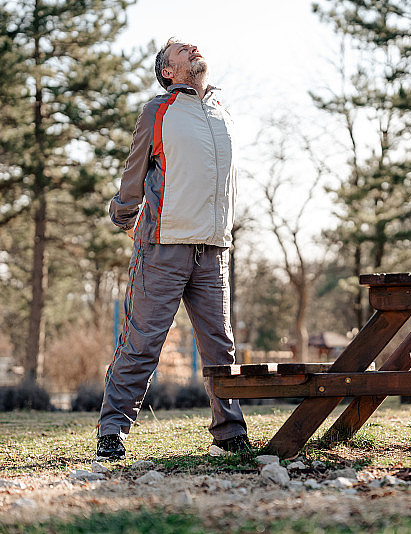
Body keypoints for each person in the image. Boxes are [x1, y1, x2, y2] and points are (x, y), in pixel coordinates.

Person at [96, 38, 250, 461]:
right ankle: (112, 432)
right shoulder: (157, 111)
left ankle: (231, 431)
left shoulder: (222, 113)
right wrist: (125, 214)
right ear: (168, 71)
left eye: (194, 47)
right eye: (183, 50)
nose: (194, 49)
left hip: (214, 250)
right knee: (142, 342)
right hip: (162, 247)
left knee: (221, 347)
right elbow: (135, 169)